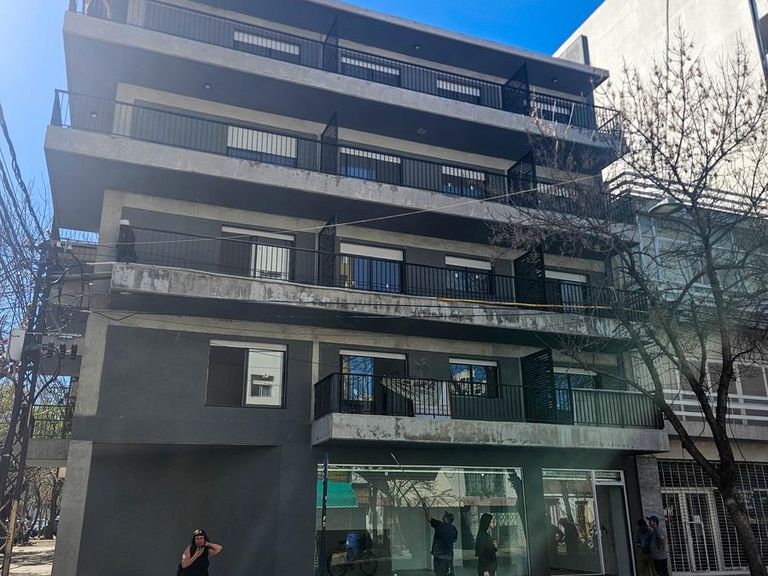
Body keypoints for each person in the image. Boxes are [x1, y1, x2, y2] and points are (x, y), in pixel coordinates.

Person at [424, 503, 458, 576]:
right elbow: (454, 540)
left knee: (439, 574)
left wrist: (426, 509)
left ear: (446, 518)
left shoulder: (439, 525)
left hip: (439, 556)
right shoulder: (454, 529)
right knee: (449, 574)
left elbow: (429, 518)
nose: (443, 516)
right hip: (449, 556)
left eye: (445, 515)